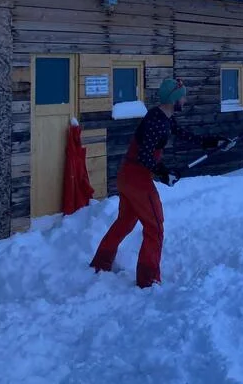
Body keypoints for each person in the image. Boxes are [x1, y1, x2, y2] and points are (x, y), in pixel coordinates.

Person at [89, 77, 227, 288]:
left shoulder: (163, 117)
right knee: (155, 227)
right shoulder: (156, 122)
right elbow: (145, 154)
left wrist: (213, 142)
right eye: (183, 97)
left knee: (125, 221)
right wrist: (163, 173)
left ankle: (101, 262)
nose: (185, 100)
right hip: (137, 178)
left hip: (128, 176)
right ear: (174, 99)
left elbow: (184, 135)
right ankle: (148, 280)